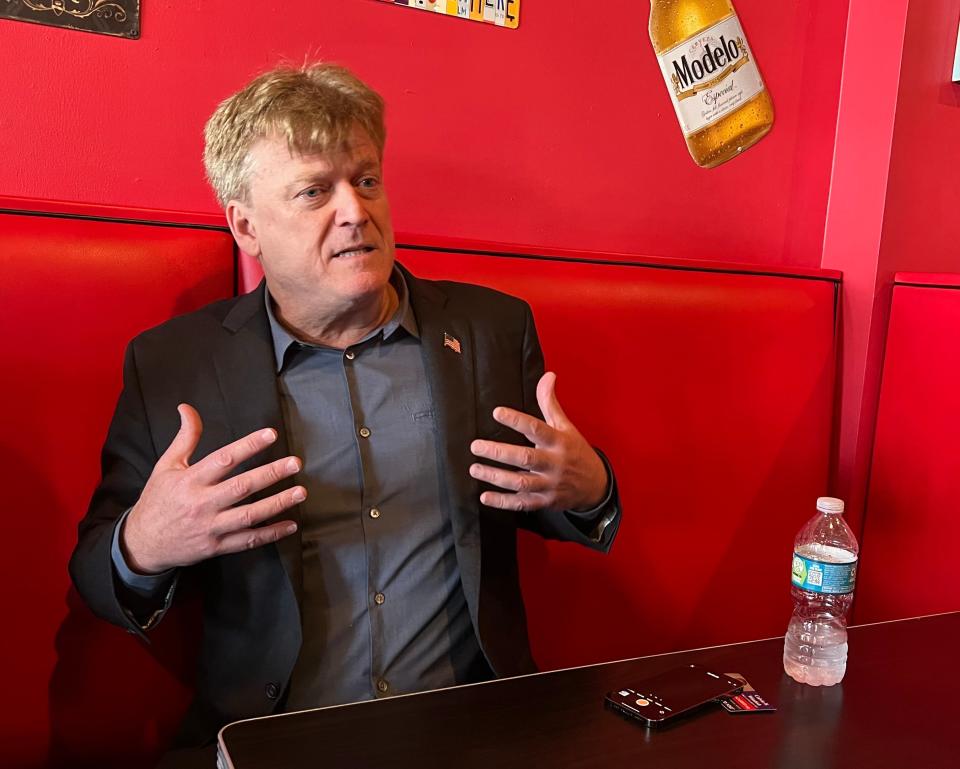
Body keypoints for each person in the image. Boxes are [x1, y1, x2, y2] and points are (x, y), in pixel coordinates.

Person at [69, 62, 621, 759]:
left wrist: (589, 486)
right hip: (274, 739)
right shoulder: (175, 363)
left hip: (472, 731)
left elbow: (560, 499)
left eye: (366, 180)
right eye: (313, 192)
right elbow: (97, 577)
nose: (356, 211)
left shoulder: (491, 329)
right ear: (246, 226)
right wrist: (145, 542)